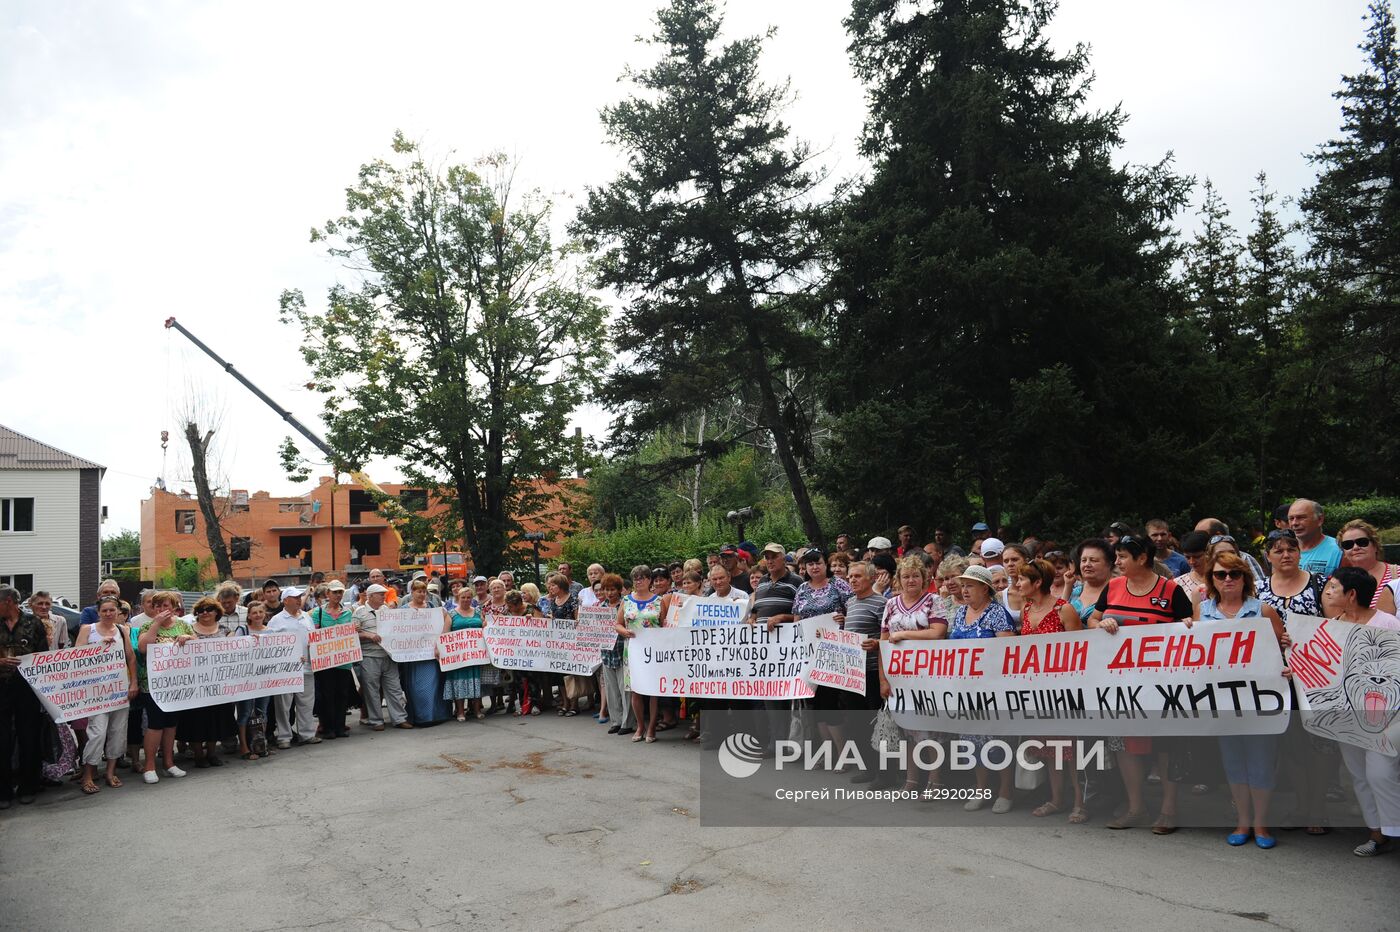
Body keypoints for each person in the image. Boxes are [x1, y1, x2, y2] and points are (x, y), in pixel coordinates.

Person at [1088, 535, 1193, 832]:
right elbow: (1092, 621)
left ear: (1143, 558)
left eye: (1122, 557)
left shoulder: (1169, 590)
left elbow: (1193, 629)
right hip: (1120, 684)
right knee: (1125, 744)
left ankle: (1168, 810)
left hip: (1162, 685)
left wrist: (1186, 627)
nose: (1117, 563)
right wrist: (1101, 624)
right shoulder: (1114, 586)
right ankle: (1136, 808)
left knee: (1165, 746)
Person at [1197, 551, 1287, 848]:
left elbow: (1287, 648)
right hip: (1223, 700)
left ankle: (1261, 824)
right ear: (1211, 580)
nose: (1227, 580)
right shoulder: (1203, 611)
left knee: (1261, 762)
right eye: (1220, 575)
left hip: (1260, 700)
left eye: (1233, 574)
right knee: (1233, 762)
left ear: (1244, 578)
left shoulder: (1263, 610)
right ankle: (1243, 821)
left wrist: (1287, 664)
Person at [1317, 567, 1400, 856]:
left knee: (1380, 773)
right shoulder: (1332, 625)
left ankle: (1393, 828)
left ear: (1351, 595)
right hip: (1347, 716)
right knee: (1359, 775)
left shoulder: (1387, 623)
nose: (1328, 592)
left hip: (1386, 717)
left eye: (1334, 587)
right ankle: (1377, 833)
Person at [1014, 559, 1084, 821]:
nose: (1017, 583)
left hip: (1063, 691)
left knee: (1071, 748)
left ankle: (1080, 802)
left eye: (1022, 579)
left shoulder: (1063, 609)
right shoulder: (1027, 608)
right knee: (1050, 748)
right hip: (1036, 692)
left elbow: (1080, 651)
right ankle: (1056, 799)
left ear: (1038, 582)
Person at [943, 565, 1016, 811]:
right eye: (963, 585)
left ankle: (1005, 791)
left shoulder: (997, 613)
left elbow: (1009, 652)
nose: (964, 590)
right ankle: (982, 789)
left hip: (993, 689)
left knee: (997, 739)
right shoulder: (961, 612)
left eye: (970, 585)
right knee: (972, 740)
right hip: (966, 690)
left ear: (985, 588)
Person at [877, 555, 950, 795]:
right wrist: (883, 679)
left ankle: (936, 780)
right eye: (906, 576)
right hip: (899, 677)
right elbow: (883, 644)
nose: (911, 580)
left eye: (916, 576)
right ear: (898, 579)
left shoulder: (934, 601)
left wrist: (904, 636)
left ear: (924, 578)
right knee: (906, 729)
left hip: (929, 676)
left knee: (930, 729)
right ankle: (911, 779)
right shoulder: (890, 604)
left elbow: (938, 632)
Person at [72, 596, 139, 795]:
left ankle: (110, 772)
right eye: (105, 611)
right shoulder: (88, 630)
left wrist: (133, 682)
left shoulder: (121, 630)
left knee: (118, 731)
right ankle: (88, 774)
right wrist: (99, 646)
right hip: (95, 690)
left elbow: (131, 657)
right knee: (97, 733)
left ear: (118, 612)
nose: (109, 614)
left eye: (112, 610)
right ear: (98, 612)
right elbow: (76, 657)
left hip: (119, 688)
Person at [0, 585, 55, 806]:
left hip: (27, 689)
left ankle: (28, 786)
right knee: (2, 739)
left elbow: (43, 656)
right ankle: (3, 791)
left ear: (8, 602)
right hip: (1, 688)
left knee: (28, 736)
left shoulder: (34, 624)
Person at [132, 591, 194, 783]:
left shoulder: (184, 624)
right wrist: (157, 623)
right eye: (157, 606)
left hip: (176, 683)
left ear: (174, 608)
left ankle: (169, 762)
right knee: (155, 724)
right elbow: (143, 647)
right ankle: (150, 766)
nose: (160, 609)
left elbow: (198, 644)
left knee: (171, 724)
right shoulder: (147, 625)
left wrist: (187, 638)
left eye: (165, 606)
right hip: (153, 684)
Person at [179, 598, 238, 767]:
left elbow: (237, 651)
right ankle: (198, 754)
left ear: (217, 612)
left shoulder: (227, 631)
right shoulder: (188, 630)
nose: (205, 612)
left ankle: (212, 753)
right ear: (196, 612)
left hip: (219, 684)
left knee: (216, 718)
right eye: (202, 610)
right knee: (196, 720)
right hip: (195, 685)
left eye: (210, 609)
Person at [353, 584, 411, 731]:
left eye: (383, 594)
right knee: (372, 689)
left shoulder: (387, 610)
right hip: (369, 656)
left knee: (394, 688)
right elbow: (352, 634)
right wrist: (367, 635)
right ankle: (376, 720)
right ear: (370, 596)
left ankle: (399, 718)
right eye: (380, 594)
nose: (383, 597)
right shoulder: (359, 612)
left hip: (389, 655)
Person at [268, 587, 319, 749]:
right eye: (294, 597)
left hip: (307, 667)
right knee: (283, 706)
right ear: (285, 600)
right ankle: (284, 736)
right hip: (286, 671)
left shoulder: (306, 617)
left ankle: (307, 734)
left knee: (306, 703)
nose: (299, 599)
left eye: (300, 596)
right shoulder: (276, 620)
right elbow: (270, 646)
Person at [617, 566, 662, 742]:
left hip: (654, 651)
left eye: (643, 577)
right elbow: (618, 623)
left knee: (652, 690)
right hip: (633, 650)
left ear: (649, 580)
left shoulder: (659, 601)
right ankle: (640, 725)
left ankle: (651, 727)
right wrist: (624, 632)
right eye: (635, 578)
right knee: (636, 690)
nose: (639, 581)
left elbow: (665, 624)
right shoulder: (626, 600)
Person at [398, 579, 451, 726]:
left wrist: (441, 640)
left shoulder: (432, 606)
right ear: (412, 592)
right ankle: (420, 716)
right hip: (413, 656)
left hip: (430, 654)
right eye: (418, 591)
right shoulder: (403, 610)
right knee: (416, 687)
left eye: (423, 591)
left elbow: (447, 617)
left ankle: (433, 715)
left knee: (432, 685)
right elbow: (396, 629)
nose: (421, 594)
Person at [309, 580, 355, 740]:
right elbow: (313, 635)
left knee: (342, 694)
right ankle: (327, 727)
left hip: (343, 662)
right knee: (327, 694)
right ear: (327, 594)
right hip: (325, 662)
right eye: (334, 592)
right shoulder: (317, 613)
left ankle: (340, 726)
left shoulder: (348, 612)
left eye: (340, 592)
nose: (337, 595)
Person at [233, 600, 273, 759]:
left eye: (260, 612)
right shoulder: (242, 630)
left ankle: (261, 744)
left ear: (265, 614)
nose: (257, 615)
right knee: (245, 713)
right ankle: (244, 747)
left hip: (265, 678)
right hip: (245, 679)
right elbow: (235, 652)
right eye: (254, 612)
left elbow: (279, 654)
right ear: (249, 615)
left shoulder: (271, 632)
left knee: (263, 712)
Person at [1337, 519, 1399, 613]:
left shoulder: (1397, 573)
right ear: (1344, 552)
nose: (1355, 547)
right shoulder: (1338, 581)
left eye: (1362, 542)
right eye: (1348, 544)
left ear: (1375, 545)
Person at [1257, 530, 1324, 617]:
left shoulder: (1320, 583)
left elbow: (1335, 623)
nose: (1286, 555)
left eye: (1291, 550)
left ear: (1299, 553)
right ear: (1268, 556)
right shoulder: (1258, 588)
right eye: (1279, 551)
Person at [540, 574, 581, 715]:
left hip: (569, 643)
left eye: (553, 585)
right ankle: (565, 702)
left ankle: (574, 704)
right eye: (549, 585)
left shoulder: (572, 600)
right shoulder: (553, 601)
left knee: (570, 674)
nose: (550, 587)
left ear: (561, 585)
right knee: (559, 675)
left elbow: (578, 620)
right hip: (557, 644)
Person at [441, 596, 485, 722]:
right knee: (458, 681)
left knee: (475, 681)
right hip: (458, 655)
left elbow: (484, 627)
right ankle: (460, 711)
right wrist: (439, 649)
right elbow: (445, 632)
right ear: (459, 599)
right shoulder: (451, 614)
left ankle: (477, 710)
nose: (466, 600)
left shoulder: (477, 611)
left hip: (475, 654)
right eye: (463, 597)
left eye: (468, 597)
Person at [1288, 498, 1343, 578]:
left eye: (1301, 517)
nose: (1294, 523)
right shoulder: (1283, 551)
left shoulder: (1338, 550)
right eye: (1291, 518)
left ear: (1320, 519)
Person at [1172, 531, 1211, 602]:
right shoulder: (1178, 583)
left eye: (1197, 557)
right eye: (1187, 557)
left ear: (1208, 553)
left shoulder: (1223, 578)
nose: (1192, 561)